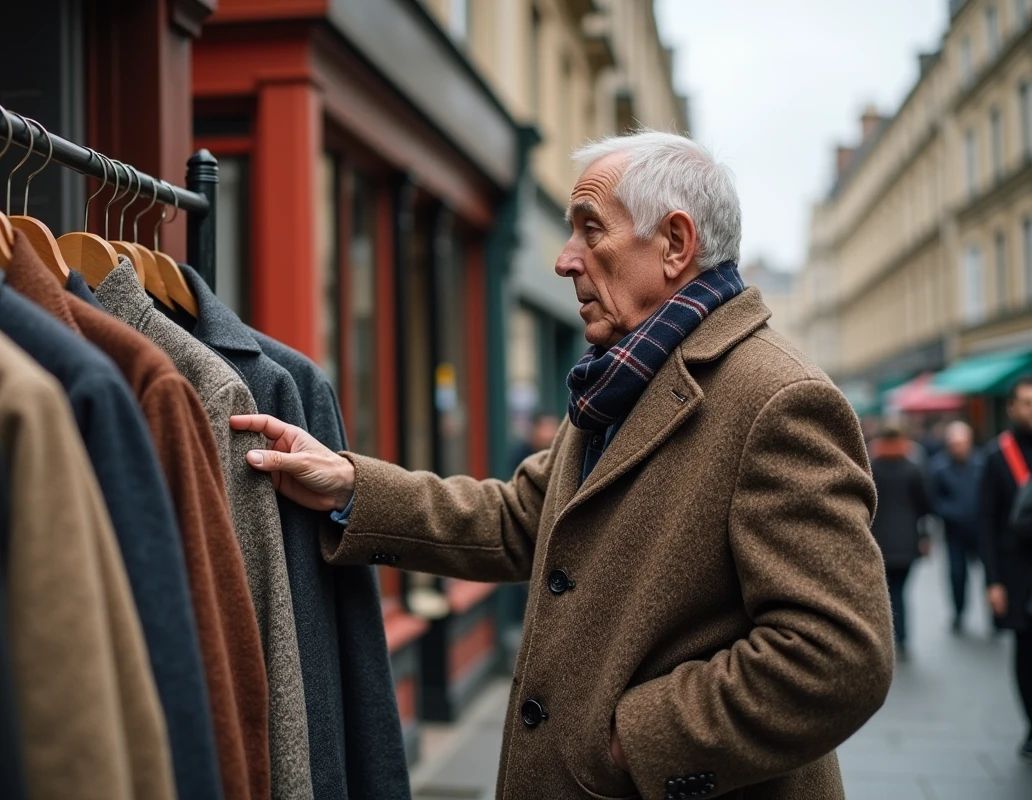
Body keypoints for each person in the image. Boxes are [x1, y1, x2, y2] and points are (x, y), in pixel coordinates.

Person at [233, 130, 894, 799]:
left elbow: (837, 656)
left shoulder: (776, 398)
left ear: (674, 243)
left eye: (589, 230)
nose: (564, 260)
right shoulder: (626, 379)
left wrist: (634, 742)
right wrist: (351, 486)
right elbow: (520, 518)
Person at [978, 375, 1032, 760]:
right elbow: (986, 523)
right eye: (1027, 403)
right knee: (1027, 651)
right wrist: (994, 581)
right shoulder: (999, 455)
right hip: (1019, 575)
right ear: (1011, 408)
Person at [868, 425, 932, 659]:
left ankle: (886, 637)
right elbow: (925, 506)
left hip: (878, 541)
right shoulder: (913, 469)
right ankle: (902, 637)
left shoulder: (872, 468)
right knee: (900, 591)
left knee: (884, 593)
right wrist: (924, 537)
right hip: (907, 541)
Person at [928, 420, 984, 633]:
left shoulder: (981, 464)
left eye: (963, 442)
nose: (960, 447)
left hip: (979, 529)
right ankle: (959, 612)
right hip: (954, 532)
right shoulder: (939, 467)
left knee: (989, 571)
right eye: (955, 443)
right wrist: (951, 512)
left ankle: (995, 615)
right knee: (957, 575)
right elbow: (934, 500)